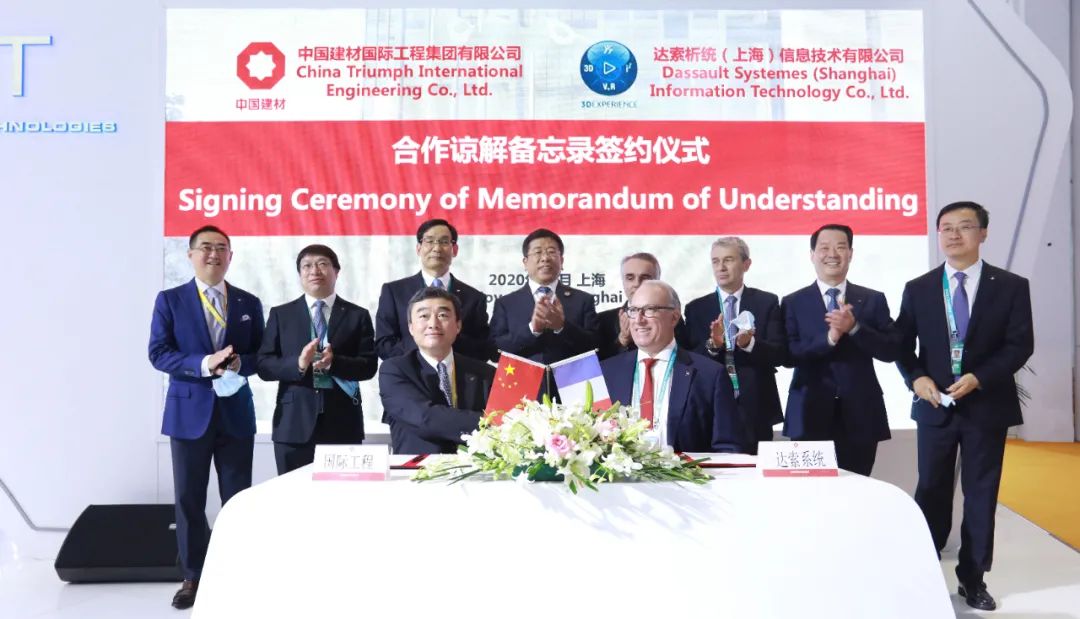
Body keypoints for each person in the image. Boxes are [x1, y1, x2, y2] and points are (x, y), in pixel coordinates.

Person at [896, 202, 1033, 611]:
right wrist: (916, 378)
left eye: (965, 226)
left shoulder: (1010, 286)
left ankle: (973, 580)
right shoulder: (919, 287)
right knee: (931, 490)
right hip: (935, 406)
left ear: (983, 233)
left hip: (986, 406)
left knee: (980, 494)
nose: (954, 235)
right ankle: (922, 574)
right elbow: (901, 345)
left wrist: (980, 377)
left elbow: (1020, 344)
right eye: (946, 228)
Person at [148, 225, 264, 609]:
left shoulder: (248, 302)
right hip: (188, 414)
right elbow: (158, 353)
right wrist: (204, 363)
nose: (214, 254)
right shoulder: (170, 300)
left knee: (238, 500)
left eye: (221, 248)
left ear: (231, 256)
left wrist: (241, 363)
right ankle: (192, 577)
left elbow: (261, 356)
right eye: (206, 247)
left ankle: (237, 574)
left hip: (235, 414)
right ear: (190, 255)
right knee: (189, 500)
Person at [781, 224, 901, 476]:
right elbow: (789, 355)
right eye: (824, 248)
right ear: (812, 255)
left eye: (840, 247)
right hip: (808, 413)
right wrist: (829, 338)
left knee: (857, 488)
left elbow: (891, 350)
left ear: (850, 253)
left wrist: (855, 328)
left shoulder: (872, 299)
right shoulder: (793, 302)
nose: (832, 254)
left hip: (861, 413)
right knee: (810, 490)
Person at [256, 245, 377, 474]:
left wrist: (334, 363)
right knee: (292, 492)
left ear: (336, 271)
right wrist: (299, 364)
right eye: (307, 266)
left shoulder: (357, 315)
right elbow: (264, 366)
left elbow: (369, 366)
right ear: (300, 274)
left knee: (341, 492)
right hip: (293, 424)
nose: (314, 271)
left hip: (342, 423)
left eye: (322, 264)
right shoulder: (281, 314)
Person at [601, 280, 745, 453]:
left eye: (650, 310)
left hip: (688, 470)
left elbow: (728, 447)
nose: (639, 320)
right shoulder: (607, 372)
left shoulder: (709, 375)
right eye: (633, 310)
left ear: (674, 317)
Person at [684, 237, 787, 454]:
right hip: (711, 405)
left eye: (728, 260)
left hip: (755, 406)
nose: (721, 267)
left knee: (755, 470)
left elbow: (780, 354)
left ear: (746, 264)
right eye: (715, 261)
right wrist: (713, 345)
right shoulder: (696, 308)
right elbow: (689, 360)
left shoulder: (766, 302)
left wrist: (750, 344)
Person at [379, 287, 496, 454]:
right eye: (423, 316)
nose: (433, 324)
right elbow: (426, 418)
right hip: (418, 467)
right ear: (411, 328)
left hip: (476, 467)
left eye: (442, 315)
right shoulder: (394, 370)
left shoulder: (485, 373)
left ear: (458, 325)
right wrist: (492, 423)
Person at [376, 219, 491, 361]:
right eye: (429, 241)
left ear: (455, 250)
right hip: (408, 371)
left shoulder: (474, 298)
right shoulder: (394, 292)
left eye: (444, 242)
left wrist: (447, 343)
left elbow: (482, 348)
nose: (437, 248)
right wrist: (424, 351)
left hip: (457, 372)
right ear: (418, 248)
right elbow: (384, 343)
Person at [489, 228, 599, 368]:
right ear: (525, 262)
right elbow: (494, 351)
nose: (545, 258)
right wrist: (532, 330)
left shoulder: (583, 300)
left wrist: (562, 327)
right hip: (522, 379)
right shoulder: (506, 304)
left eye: (551, 252)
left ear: (561, 260)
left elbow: (596, 347)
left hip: (572, 379)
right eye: (538, 252)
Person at [597, 252, 688, 360]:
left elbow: (686, 356)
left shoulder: (670, 315)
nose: (637, 284)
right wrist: (622, 340)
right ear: (623, 281)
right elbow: (597, 365)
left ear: (658, 281)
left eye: (645, 278)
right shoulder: (603, 320)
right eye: (630, 278)